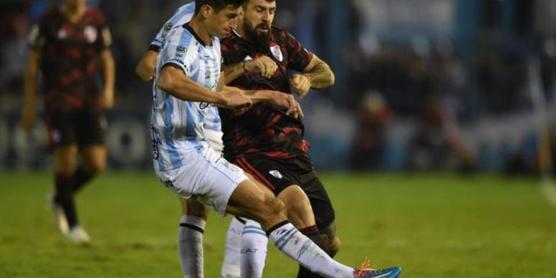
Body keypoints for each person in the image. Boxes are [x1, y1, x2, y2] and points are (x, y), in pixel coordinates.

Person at [150, 0, 401, 277]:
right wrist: (234, 82)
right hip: (228, 150)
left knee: (313, 232)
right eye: (234, 15)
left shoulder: (240, 42)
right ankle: (351, 275)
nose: (233, 23)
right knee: (278, 207)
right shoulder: (193, 39)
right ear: (214, 11)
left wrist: (280, 90)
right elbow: (171, 80)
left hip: (283, 149)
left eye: (271, 10)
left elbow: (323, 73)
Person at [137, 2, 313, 277]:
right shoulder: (195, 15)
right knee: (256, 204)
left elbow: (151, 67)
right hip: (205, 126)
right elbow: (153, 66)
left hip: (213, 122)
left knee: (222, 209)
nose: (235, 21)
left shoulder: (212, 12)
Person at [219, 0, 352, 276]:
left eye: (271, 10)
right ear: (241, 10)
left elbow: (326, 73)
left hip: (293, 151)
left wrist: (307, 80)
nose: (266, 18)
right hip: (250, 150)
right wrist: (245, 68)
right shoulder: (222, 44)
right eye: (259, 10)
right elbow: (208, 84)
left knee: (329, 242)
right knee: (296, 202)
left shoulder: (281, 39)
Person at [21, 0, 115, 243]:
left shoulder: (95, 19)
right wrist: (30, 105)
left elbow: (107, 58)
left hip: (89, 101)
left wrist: (108, 90)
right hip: (58, 100)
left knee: (96, 163)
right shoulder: (48, 21)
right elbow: (32, 66)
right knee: (66, 156)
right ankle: (73, 226)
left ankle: (60, 197)